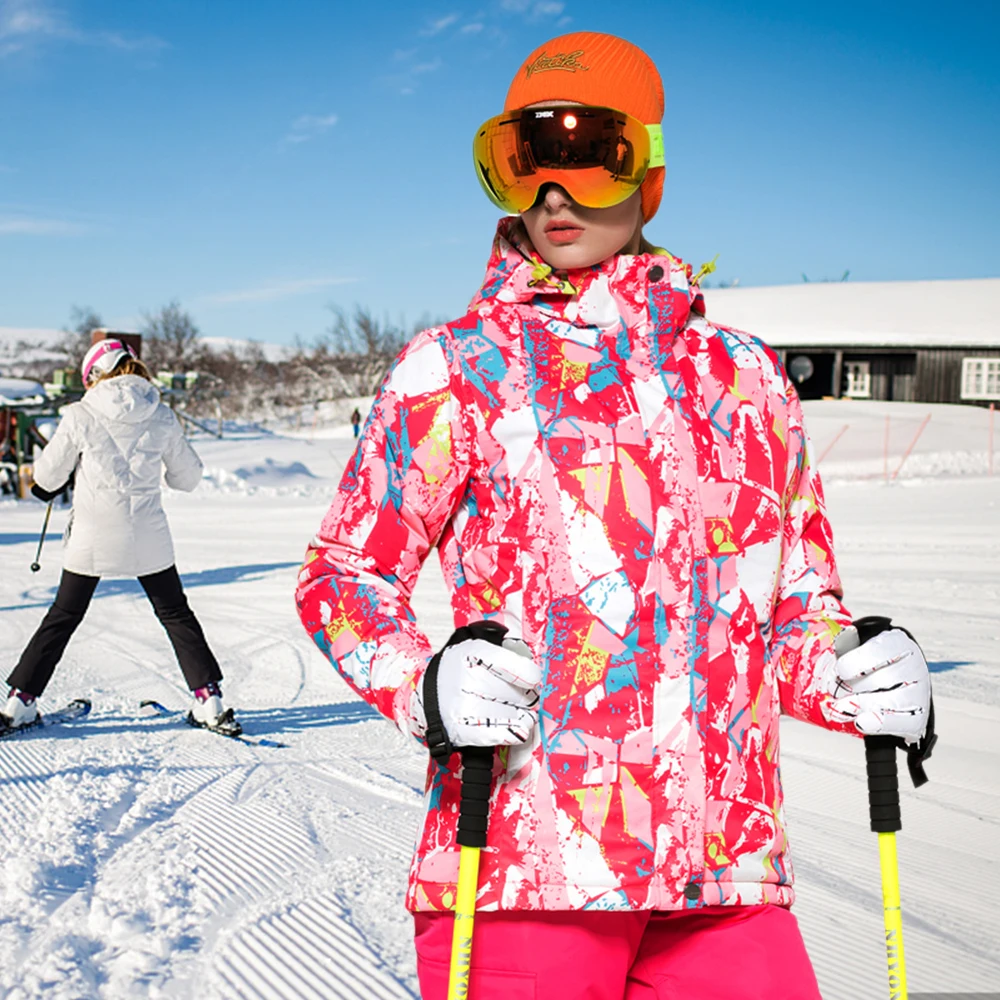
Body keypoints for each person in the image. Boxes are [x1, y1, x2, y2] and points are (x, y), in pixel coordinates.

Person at [295, 31, 933, 999]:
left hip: (724, 871)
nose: (555, 188)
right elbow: (345, 573)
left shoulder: (748, 379)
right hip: (522, 869)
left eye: (592, 149)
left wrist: (858, 680)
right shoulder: (455, 369)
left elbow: (794, 607)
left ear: (650, 172)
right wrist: (422, 682)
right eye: (522, 157)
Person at [2, 339, 239, 736]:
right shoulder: (161, 415)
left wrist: (54, 482)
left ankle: (20, 703)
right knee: (176, 614)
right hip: (148, 537)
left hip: (92, 538)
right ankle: (209, 701)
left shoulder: (80, 413)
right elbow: (188, 478)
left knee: (62, 617)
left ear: (95, 374)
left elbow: (44, 481)